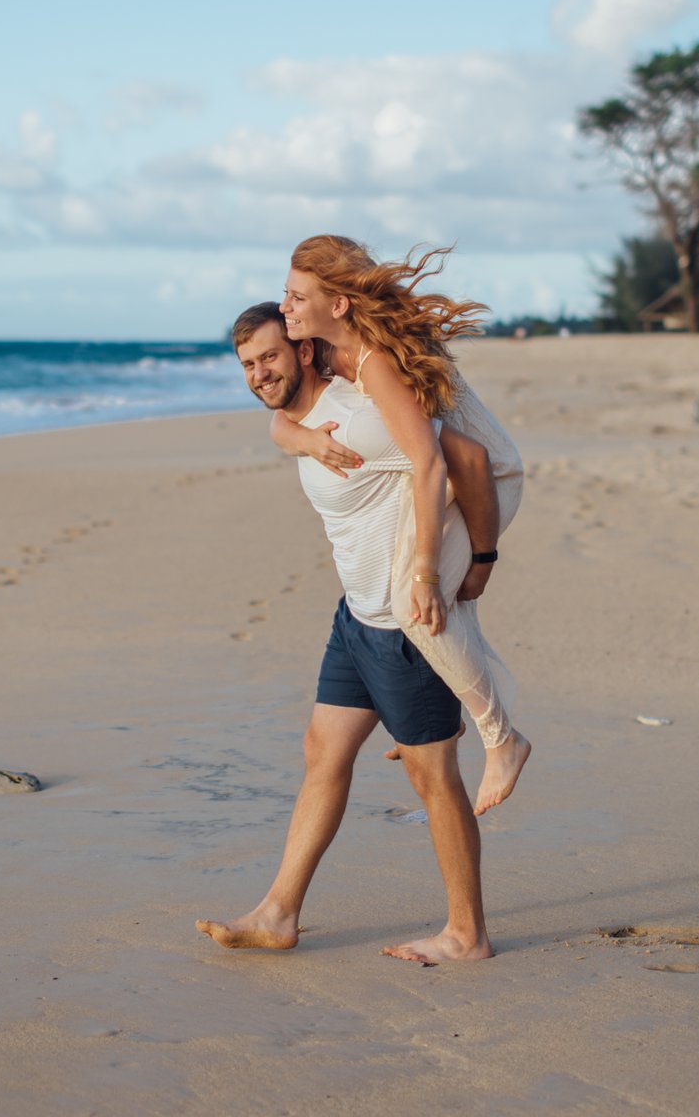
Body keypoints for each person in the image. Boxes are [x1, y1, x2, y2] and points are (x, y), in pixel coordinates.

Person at [195, 303, 499, 963]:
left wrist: (476, 564)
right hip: (355, 620)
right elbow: (280, 423)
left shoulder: (363, 407)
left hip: (402, 627)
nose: (258, 374)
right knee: (321, 750)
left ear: (303, 351)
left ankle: (468, 934)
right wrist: (300, 438)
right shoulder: (296, 416)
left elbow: (466, 460)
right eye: (247, 365)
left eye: (270, 357)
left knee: (433, 778)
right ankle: (277, 914)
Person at [272, 235, 530, 816]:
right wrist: (308, 439)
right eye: (284, 294)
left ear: (337, 304)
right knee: (434, 606)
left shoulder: (375, 359)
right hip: (457, 477)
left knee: (414, 600)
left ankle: (502, 738)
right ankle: (435, 708)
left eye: (296, 296)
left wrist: (445, 567)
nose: (285, 306)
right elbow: (280, 421)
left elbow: (437, 460)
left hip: (486, 482)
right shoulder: (325, 349)